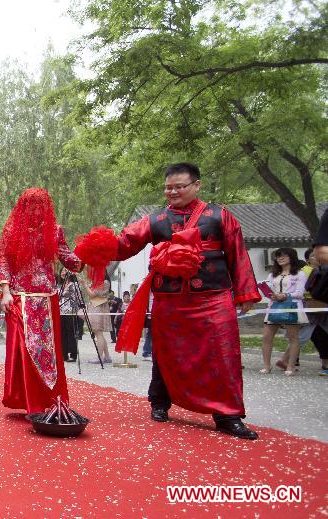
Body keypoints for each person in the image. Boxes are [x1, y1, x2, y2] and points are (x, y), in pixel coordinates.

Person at [108, 162, 260, 439]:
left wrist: (245, 291)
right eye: (168, 188)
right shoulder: (155, 220)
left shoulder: (219, 216)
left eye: (179, 187)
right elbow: (124, 244)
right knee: (165, 353)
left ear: (196, 185)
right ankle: (159, 402)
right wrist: (97, 247)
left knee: (223, 355)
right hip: (170, 299)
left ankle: (228, 415)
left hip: (213, 297)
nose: (173, 192)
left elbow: (238, 254)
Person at [0, 188, 83, 413]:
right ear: (23, 207)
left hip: (47, 298)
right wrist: (5, 291)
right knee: (26, 350)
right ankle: (28, 400)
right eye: (31, 205)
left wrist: (90, 254)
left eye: (40, 205)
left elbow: (67, 258)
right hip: (20, 297)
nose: (36, 210)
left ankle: (49, 401)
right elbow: (4, 260)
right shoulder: (12, 230)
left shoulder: (55, 231)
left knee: (49, 352)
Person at [260, 248, 308, 376]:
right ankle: (266, 366)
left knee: (293, 337)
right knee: (267, 336)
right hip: (273, 307)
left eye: (283, 256)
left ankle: (290, 366)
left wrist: (285, 295)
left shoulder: (299, 274)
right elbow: (269, 290)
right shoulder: (272, 274)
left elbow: (299, 293)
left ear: (291, 257)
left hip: (292, 306)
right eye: (278, 256)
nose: (280, 258)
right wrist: (271, 295)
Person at [85, 277, 112, 363]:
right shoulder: (103, 282)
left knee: (98, 333)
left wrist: (85, 285)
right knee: (99, 333)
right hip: (97, 306)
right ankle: (107, 356)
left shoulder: (103, 282)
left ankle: (100, 357)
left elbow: (92, 295)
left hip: (98, 307)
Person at [56, 268, 80, 362]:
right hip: (60, 312)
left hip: (71, 312)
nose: (63, 273)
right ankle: (64, 354)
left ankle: (73, 355)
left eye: (65, 271)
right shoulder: (58, 285)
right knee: (62, 334)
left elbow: (66, 294)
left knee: (71, 334)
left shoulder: (73, 285)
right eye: (62, 271)